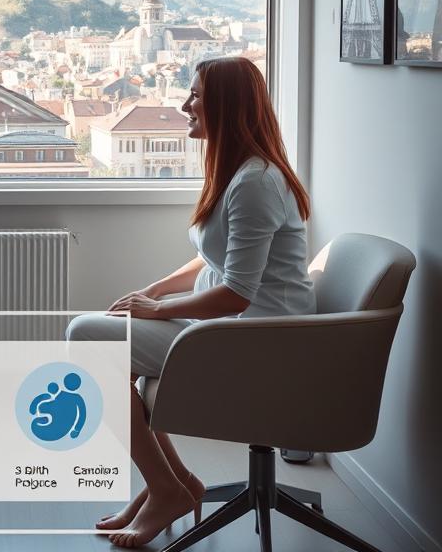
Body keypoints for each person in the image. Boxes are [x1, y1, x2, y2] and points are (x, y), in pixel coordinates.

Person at [66, 56, 314, 548]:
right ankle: (177, 486)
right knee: (99, 337)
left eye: (197, 95)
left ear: (226, 105)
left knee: (86, 338)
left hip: (256, 339)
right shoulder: (239, 173)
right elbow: (212, 259)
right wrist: (156, 291)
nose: (185, 105)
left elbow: (237, 292)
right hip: (228, 328)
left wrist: (157, 311)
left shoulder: (256, 183)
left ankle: (164, 489)